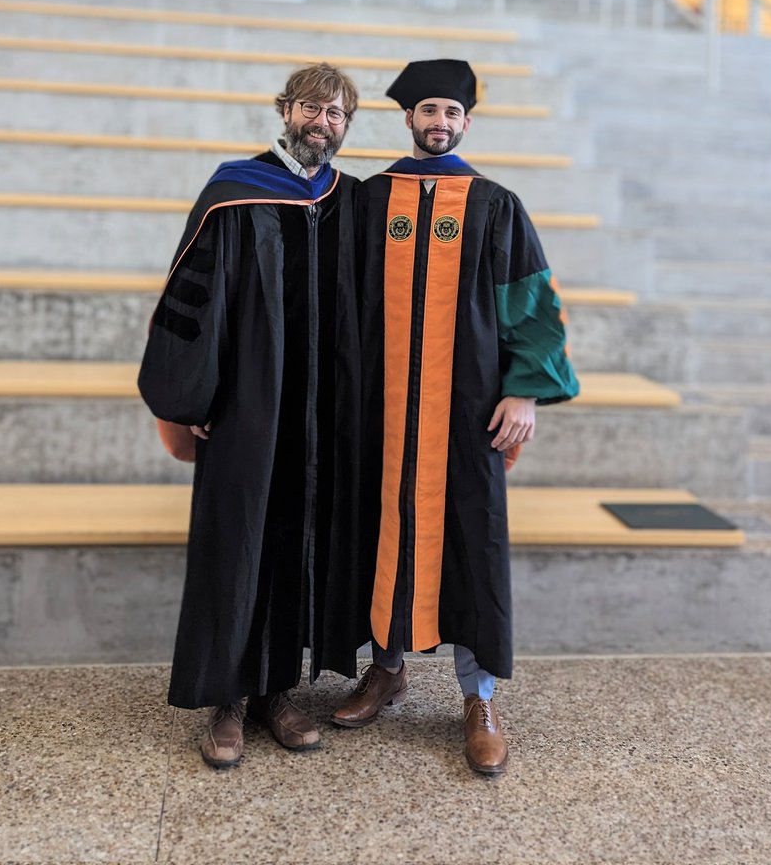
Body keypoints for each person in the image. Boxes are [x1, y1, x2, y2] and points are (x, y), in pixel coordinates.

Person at [332, 58, 579, 775]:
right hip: (378, 410)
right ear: (406, 118)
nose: (439, 122)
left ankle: (479, 696)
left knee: (472, 543)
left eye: (451, 112)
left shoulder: (495, 203)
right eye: (428, 110)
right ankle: (386, 669)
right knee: (383, 534)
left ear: (467, 122)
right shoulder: (368, 200)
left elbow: (532, 306)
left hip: (465, 411)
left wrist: (526, 390)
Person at [138, 63, 374, 769]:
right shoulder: (232, 192)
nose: (322, 123)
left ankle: (276, 692)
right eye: (312, 108)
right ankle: (226, 700)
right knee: (234, 541)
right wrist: (194, 400)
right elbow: (191, 302)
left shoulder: (350, 201)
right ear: (284, 109)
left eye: (337, 115)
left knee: (297, 546)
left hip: (320, 418)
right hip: (246, 409)